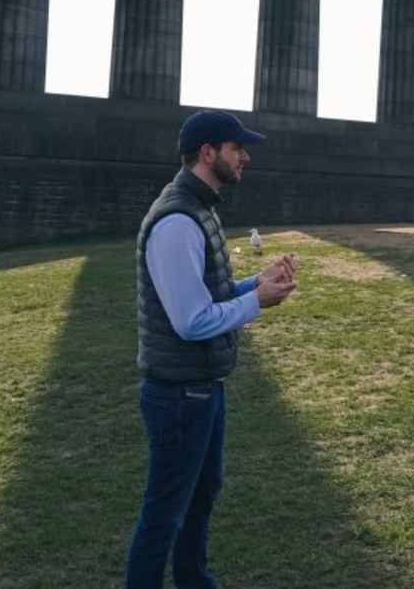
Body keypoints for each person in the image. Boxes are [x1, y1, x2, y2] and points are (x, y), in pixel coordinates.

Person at [125, 110, 299, 589]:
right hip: (180, 396)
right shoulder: (177, 221)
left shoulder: (198, 208)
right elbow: (191, 321)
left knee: (199, 499)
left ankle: (194, 582)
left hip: (201, 390)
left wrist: (256, 282)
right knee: (164, 513)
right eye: (237, 148)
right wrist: (257, 301)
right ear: (208, 152)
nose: (245, 157)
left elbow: (209, 293)